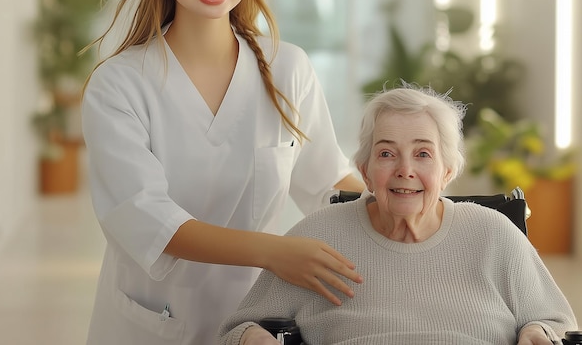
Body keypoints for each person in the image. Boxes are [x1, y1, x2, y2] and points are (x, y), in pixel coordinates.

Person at [80, 0, 364, 345]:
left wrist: (426, 210)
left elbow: (327, 182)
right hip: (151, 320)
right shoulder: (120, 85)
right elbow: (149, 219)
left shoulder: (286, 66)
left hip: (255, 321)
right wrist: (275, 252)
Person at [219, 83, 578, 345]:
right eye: (387, 154)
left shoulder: (493, 233)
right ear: (365, 171)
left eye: (423, 154)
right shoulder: (318, 236)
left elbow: (556, 321)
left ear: (447, 171)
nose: (405, 170)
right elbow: (237, 329)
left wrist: (536, 331)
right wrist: (254, 338)